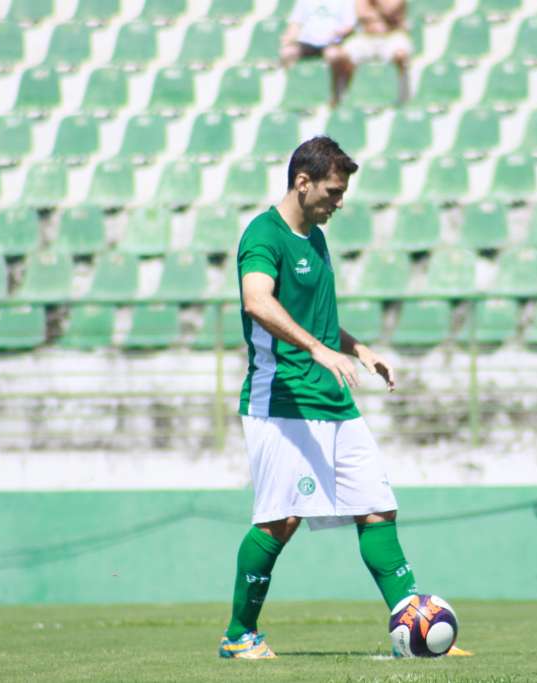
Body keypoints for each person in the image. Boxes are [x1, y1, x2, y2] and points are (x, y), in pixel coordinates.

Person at [217, 137, 470, 659]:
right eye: (333, 191)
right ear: (303, 182)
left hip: (333, 399)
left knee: (378, 508)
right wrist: (317, 349)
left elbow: (318, 321)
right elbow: (256, 300)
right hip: (282, 401)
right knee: (278, 522)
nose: (339, 201)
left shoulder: (315, 237)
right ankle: (239, 635)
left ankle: (413, 630)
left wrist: (357, 349)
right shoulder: (264, 235)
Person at [279, 0, 358, 106]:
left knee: (333, 56)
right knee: (287, 53)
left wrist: (335, 35)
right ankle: (295, 93)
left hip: (333, 42)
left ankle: (336, 95)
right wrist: (288, 38)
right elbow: (295, 23)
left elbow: (349, 26)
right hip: (307, 42)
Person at [341, 0, 413, 104]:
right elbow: (361, 14)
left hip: (392, 35)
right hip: (366, 37)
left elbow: (390, 11)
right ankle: (345, 97)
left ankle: (403, 97)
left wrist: (375, 6)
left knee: (400, 55)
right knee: (343, 55)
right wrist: (378, 17)